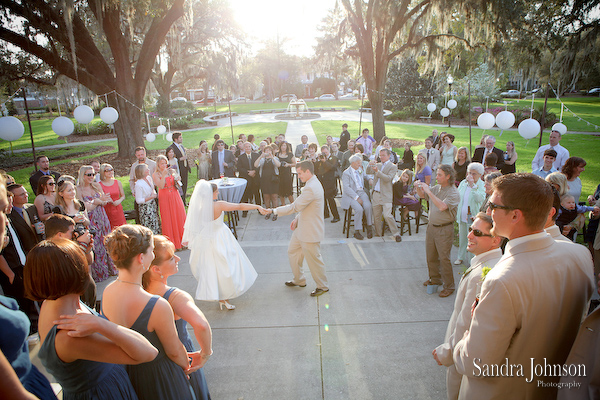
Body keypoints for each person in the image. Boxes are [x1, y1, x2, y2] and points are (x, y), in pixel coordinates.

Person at [453, 173, 595, 399]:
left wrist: (460, 341)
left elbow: (475, 363)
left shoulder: (502, 280)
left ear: (515, 215)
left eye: (493, 205)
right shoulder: (579, 254)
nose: (489, 212)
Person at [24, 239, 158, 399]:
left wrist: (85, 253)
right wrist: (100, 324)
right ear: (74, 271)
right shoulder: (68, 336)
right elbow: (148, 353)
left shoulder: (55, 301)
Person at [103, 225, 198, 400]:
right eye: (151, 251)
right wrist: (186, 367)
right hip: (160, 377)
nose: (153, 255)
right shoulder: (156, 305)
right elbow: (174, 351)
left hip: (127, 374)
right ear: (141, 258)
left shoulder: (108, 292)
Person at [432, 213, 503, 400]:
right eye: (471, 229)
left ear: (495, 240)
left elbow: (467, 323)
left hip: (461, 357)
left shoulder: (482, 274)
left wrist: (447, 352)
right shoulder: (488, 262)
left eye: (477, 232)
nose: (469, 235)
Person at [142, 235, 211, 400]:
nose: (178, 258)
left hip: (149, 369)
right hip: (180, 361)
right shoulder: (174, 296)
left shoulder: (136, 294)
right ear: (156, 269)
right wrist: (205, 354)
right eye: (172, 258)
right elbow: (201, 325)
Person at [182, 181, 264, 309]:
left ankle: (221, 297)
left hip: (204, 238)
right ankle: (224, 297)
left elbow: (196, 226)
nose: (218, 193)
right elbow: (239, 206)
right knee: (226, 266)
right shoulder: (219, 205)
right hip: (220, 236)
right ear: (211, 193)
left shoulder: (198, 208)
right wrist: (257, 206)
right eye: (216, 191)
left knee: (212, 267)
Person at [270, 161, 329, 296]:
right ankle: (299, 280)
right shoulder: (311, 184)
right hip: (301, 228)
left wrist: (273, 211)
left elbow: (295, 206)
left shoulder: (311, 187)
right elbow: (304, 207)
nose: (299, 176)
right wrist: (297, 219)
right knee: (292, 252)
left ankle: (323, 286)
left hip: (310, 231)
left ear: (308, 171)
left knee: (314, 260)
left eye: (300, 173)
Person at [416, 165, 460, 298]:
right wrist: (419, 187)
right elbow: (423, 196)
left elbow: (442, 206)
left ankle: (449, 286)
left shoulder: (453, 192)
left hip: (444, 228)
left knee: (444, 258)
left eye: (440, 175)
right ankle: (435, 278)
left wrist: (429, 192)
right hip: (432, 227)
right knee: (431, 256)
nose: (437, 177)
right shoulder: (437, 188)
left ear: (448, 176)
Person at [76, 166, 117, 282]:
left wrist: (98, 202)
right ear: (82, 175)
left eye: (93, 174)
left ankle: (112, 268)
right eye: (89, 175)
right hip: (91, 218)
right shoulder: (78, 189)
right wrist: (96, 201)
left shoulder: (97, 186)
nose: (91, 177)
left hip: (102, 216)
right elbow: (84, 207)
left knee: (107, 241)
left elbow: (104, 202)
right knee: (97, 245)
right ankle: (100, 272)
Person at [454, 163, 486, 266]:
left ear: (480, 174)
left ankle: (473, 260)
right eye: (469, 173)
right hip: (462, 213)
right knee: (462, 237)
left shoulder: (481, 185)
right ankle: (460, 257)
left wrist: (472, 186)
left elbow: (479, 199)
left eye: (474, 174)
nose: (471, 175)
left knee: (472, 238)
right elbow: (458, 196)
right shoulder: (464, 183)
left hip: (472, 215)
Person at [153, 155, 186, 250]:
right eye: (161, 164)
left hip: (175, 195)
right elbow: (161, 185)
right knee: (168, 218)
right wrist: (163, 175)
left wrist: (177, 178)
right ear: (158, 165)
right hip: (165, 197)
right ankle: (173, 243)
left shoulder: (172, 171)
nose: (164, 165)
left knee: (179, 215)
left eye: (165, 163)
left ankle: (183, 241)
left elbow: (178, 181)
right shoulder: (156, 175)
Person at [367, 149, 401, 242]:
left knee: (387, 215)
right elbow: (368, 172)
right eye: (380, 155)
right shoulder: (378, 164)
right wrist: (370, 164)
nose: (381, 157)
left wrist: (377, 171)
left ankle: (396, 233)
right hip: (376, 194)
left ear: (389, 155)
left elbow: (388, 178)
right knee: (376, 216)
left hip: (386, 195)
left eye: (383, 155)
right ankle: (378, 234)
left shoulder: (393, 167)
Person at [342, 154, 374, 240]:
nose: (360, 164)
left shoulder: (359, 169)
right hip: (351, 195)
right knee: (359, 209)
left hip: (361, 192)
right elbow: (346, 188)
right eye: (358, 163)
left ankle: (369, 226)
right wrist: (356, 198)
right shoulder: (346, 173)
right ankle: (357, 231)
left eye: (360, 163)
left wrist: (370, 178)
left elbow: (365, 176)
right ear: (352, 163)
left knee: (368, 206)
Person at [6, 184, 39, 252]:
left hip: (39, 249)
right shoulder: (9, 215)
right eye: (22, 194)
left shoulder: (32, 208)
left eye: (26, 193)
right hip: (24, 252)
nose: (26, 195)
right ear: (13, 198)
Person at [315, 145, 340, 223]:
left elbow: (333, 168)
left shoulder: (334, 158)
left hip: (330, 182)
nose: (324, 154)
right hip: (322, 181)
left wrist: (324, 161)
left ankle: (336, 216)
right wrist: (318, 160)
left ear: (329, 151)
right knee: (323, 198)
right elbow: (316, 169)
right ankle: (326, 214)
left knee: (330, 199)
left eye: (326, 152)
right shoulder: (320, 159)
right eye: (323, 152)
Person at [134, 164, 161, 235]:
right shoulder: (138, 184)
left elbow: (152, 189)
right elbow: (139, 200)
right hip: (145, 207)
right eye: (146, 169)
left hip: (152, 204)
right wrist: (151, 197)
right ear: (142, 172)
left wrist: (154, 194)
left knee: (156, 222)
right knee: (149, 225)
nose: (148, 170)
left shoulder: (149, 178)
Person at [98, 163, 126, 230]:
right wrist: (107, 200)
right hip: (107, 209)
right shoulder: (99, 184)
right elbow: (100, 197)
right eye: (107, 170)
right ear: (102, 172)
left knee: (122, 228)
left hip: (118, 208)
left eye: (111, 169)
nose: (110, 172)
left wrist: (118, 201)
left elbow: (123, 196)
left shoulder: (117, 182)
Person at [255, 145, 281, 216]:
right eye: (266, 150)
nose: (268, 152)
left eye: (269, 150)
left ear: (272, 151)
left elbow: (278, 165)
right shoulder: (262, 159)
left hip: (273, 180)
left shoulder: (275, 158)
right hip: (264, 180)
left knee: (274, 197)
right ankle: (268, 212)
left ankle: (275, 213)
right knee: (266, 197)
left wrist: (272, 157)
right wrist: (261, 156)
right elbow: (256, 165)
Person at [237, 142, 260, 216]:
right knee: (245, 195)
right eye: (246, 147)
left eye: (249, 146)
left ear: (251, 147)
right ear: (244, 148)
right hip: (246, 178)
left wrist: (254, 171)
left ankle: (259, 209)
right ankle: (245, 211)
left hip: (255, 178)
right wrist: (248, 172)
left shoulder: (256, 155)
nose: (248, 148)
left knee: (257, 194)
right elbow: (239, 168)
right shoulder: (241, 157)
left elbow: (259, 166)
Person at [277, 141, 296, 206]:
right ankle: (283, 205)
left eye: (284, 145)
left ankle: (293, 205)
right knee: (281, 191)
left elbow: (295, 164)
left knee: (289, 191)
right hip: (279, 175)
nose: (283, 147)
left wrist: (288, 165)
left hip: (287, 175)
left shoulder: (290, 154)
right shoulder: (277, 154)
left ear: (287, 146)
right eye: (282, 145)